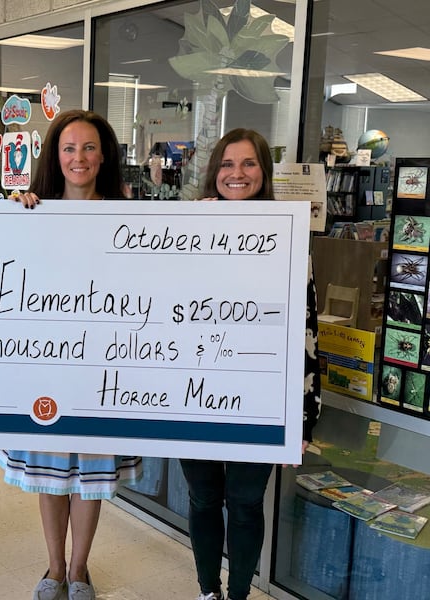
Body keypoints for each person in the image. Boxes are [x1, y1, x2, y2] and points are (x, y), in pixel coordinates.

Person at [0, 109, 141, 600]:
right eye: (68, 148)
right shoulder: (33, 209)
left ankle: (80, 571)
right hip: (48, 364)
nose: (78, 158)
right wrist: (15, 215)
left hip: (104, 366)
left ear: (104, 156)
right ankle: (54, 568)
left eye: (88, 148)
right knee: (51, 468)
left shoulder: (128, 216)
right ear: (54, 156)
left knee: (92, 473)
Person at [180, 128, 321, 600]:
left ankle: (237, 594)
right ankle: (207, 591)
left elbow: (306, 324)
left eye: (248, 164)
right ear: (213, 171)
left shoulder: (289, 233)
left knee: (242, 503)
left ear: (263, 172)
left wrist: (303, 412)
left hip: (259, 393)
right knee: (203, 499)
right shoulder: (184, 228)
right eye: (226, 164)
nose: (236, 174)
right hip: (192, 388)